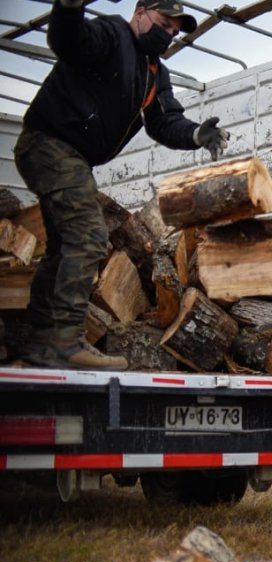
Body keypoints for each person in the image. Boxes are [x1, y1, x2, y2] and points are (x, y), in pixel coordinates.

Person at [15, 0, 229, 370]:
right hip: (49, 142)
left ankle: (40, 344)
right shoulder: (112, 33)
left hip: (71, 155)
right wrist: (68, 8)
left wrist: (196, 134)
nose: (169, 33)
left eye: (175, 31)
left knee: (64, 245)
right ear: (140, 11)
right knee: (88, 236)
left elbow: (164, 122)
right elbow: (68, 40)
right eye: (164, 23)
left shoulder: (153, 73)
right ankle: (65, 344)